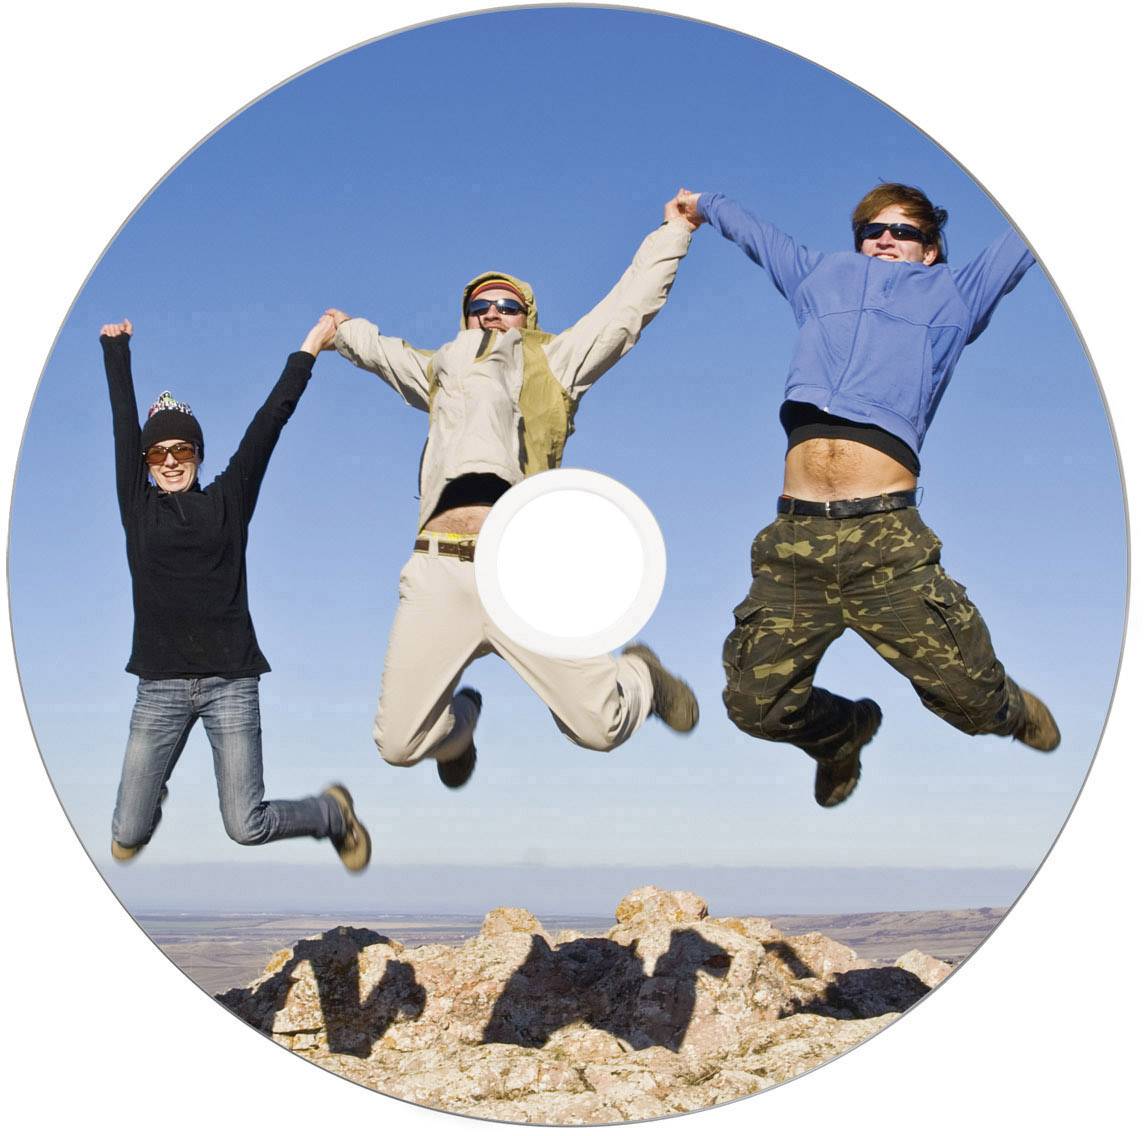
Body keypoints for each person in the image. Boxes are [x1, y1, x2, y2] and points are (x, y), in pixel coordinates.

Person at [676, 184, 1060, 808]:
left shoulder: (957, 293)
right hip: (793, 541)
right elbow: (759, 236)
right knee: (755, 708)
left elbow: (1030, 233)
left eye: (903, 231)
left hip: (884, 540)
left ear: (931, 249)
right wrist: (705, 203)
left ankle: (1009, 709)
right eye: (872, 230)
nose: (884, 239)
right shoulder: (818, 276)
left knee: (972, 705)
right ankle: (841, 733)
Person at [323, 196, 701, 789]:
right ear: (465, 318)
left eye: (509, 306)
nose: (495, 314)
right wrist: (342, 331)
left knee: (598, 728)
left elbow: (628, 307)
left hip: (521, 569)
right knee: (398, 743)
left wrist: (675, 230)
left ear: (527, 315)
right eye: (481, 307)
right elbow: (382, 352)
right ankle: (461, 731)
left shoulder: (556, 362)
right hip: (439, 568)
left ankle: (642, 678)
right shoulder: (442, 369)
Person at [100, 316, 371, 868]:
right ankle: (148, 800)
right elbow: (123, 424)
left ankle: (331, 814)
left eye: (181, 449)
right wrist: (116, 351)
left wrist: (309, 348)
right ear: (146, 464)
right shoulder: (138, 508)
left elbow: (270, 421)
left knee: (245, 827)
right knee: (126, 833)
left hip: (231, 681)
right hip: (159, 687)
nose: (170, 459)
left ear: (197, 453)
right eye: (158, 454)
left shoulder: (229, 499)